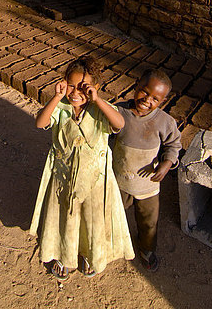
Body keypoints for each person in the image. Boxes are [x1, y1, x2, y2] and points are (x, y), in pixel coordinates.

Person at [30, 57, 134, 280]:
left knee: (92, 220)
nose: (76, 92)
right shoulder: (61, 107)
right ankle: (64, 257)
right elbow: (40, 123)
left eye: (84, 88)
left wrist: (98, 101)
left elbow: (120, 124)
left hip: (95, 181)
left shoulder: (101, 110)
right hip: (63, 177)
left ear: (95, 88)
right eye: (71, 85)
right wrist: (57, 96)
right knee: (63, 218)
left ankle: (90, 255)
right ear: (63, 82)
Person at [112, 68, 181, 272]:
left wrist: (167, 164)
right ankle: (113, 243)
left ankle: (146, 249)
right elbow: (104, 137)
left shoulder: (165, 122)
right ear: (136, 85)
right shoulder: (118, 112)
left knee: (148, 222)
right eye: (144, 91)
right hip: (119, 179)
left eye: (155, 99)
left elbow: (173, 145)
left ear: (163, 101)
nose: (147, 100)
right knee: (114, 213)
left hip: (148, 185)